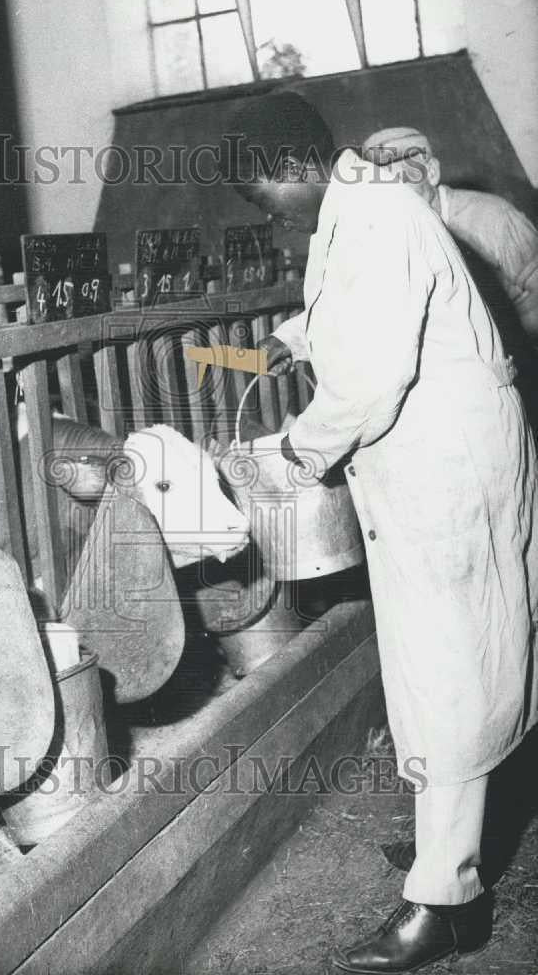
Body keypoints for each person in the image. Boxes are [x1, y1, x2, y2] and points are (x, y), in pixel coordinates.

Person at [220, 92, 538, 973]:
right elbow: (367, 316)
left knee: (452, 677)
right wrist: (296, 336)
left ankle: (444, 903)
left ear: (291, 168)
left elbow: (365, 385)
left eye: (261, 197)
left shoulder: (375, 218)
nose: (270, 218)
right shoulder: (355, 209)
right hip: (427, 469)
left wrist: (281, 455)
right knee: (441, 671)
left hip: (446, 476)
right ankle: (454, 853)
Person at [361, 127, 538, 341]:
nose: (392, 199)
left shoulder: (491, 217)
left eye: (399, 182)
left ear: (432, 172)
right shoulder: (393, 237)